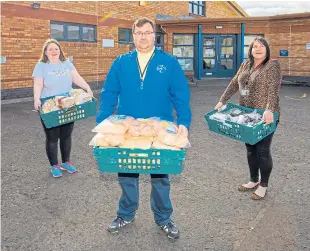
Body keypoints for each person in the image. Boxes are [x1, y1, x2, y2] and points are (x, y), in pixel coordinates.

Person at [97, 18, 191, 239]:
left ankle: (164, 218)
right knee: (127, 174)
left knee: (160, 178)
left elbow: (181, 96)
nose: (143, 37)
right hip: (129, 130)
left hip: (159, 130)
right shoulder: (121, 62)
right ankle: (126, 214)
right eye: (138, 33)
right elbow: (109, 94)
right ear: (133, 36)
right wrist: (103, 123)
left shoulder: (168, 62)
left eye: (147, 32)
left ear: (154, 35)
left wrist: (184, 123)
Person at [214, 37, 282, 200]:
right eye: (254, 47)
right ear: (250, 50)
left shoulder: (272, 65)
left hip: (265, 115)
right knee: (251, 150)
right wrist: (222, 100)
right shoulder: (246, 64)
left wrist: (269, 109)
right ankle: (253, 180)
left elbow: (273, 89)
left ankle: (263, 185)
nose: (257, 49)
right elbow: (234, 83)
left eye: (261, 46)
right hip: (246, 114)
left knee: (263, 151)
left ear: (266, 49)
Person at [32, 38, 93, 178]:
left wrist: (87, 87)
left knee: (66, 135)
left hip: (67, 104)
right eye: (50, 49)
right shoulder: (41, 66)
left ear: (60, 51)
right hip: (50, 106)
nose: (53, 51)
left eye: (56, 49)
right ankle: (54, 165)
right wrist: (36, 99)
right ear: (45, 52)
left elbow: (76, 77)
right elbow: (38, 85)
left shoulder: (66, 63)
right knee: (52, 137)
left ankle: (66, 162)